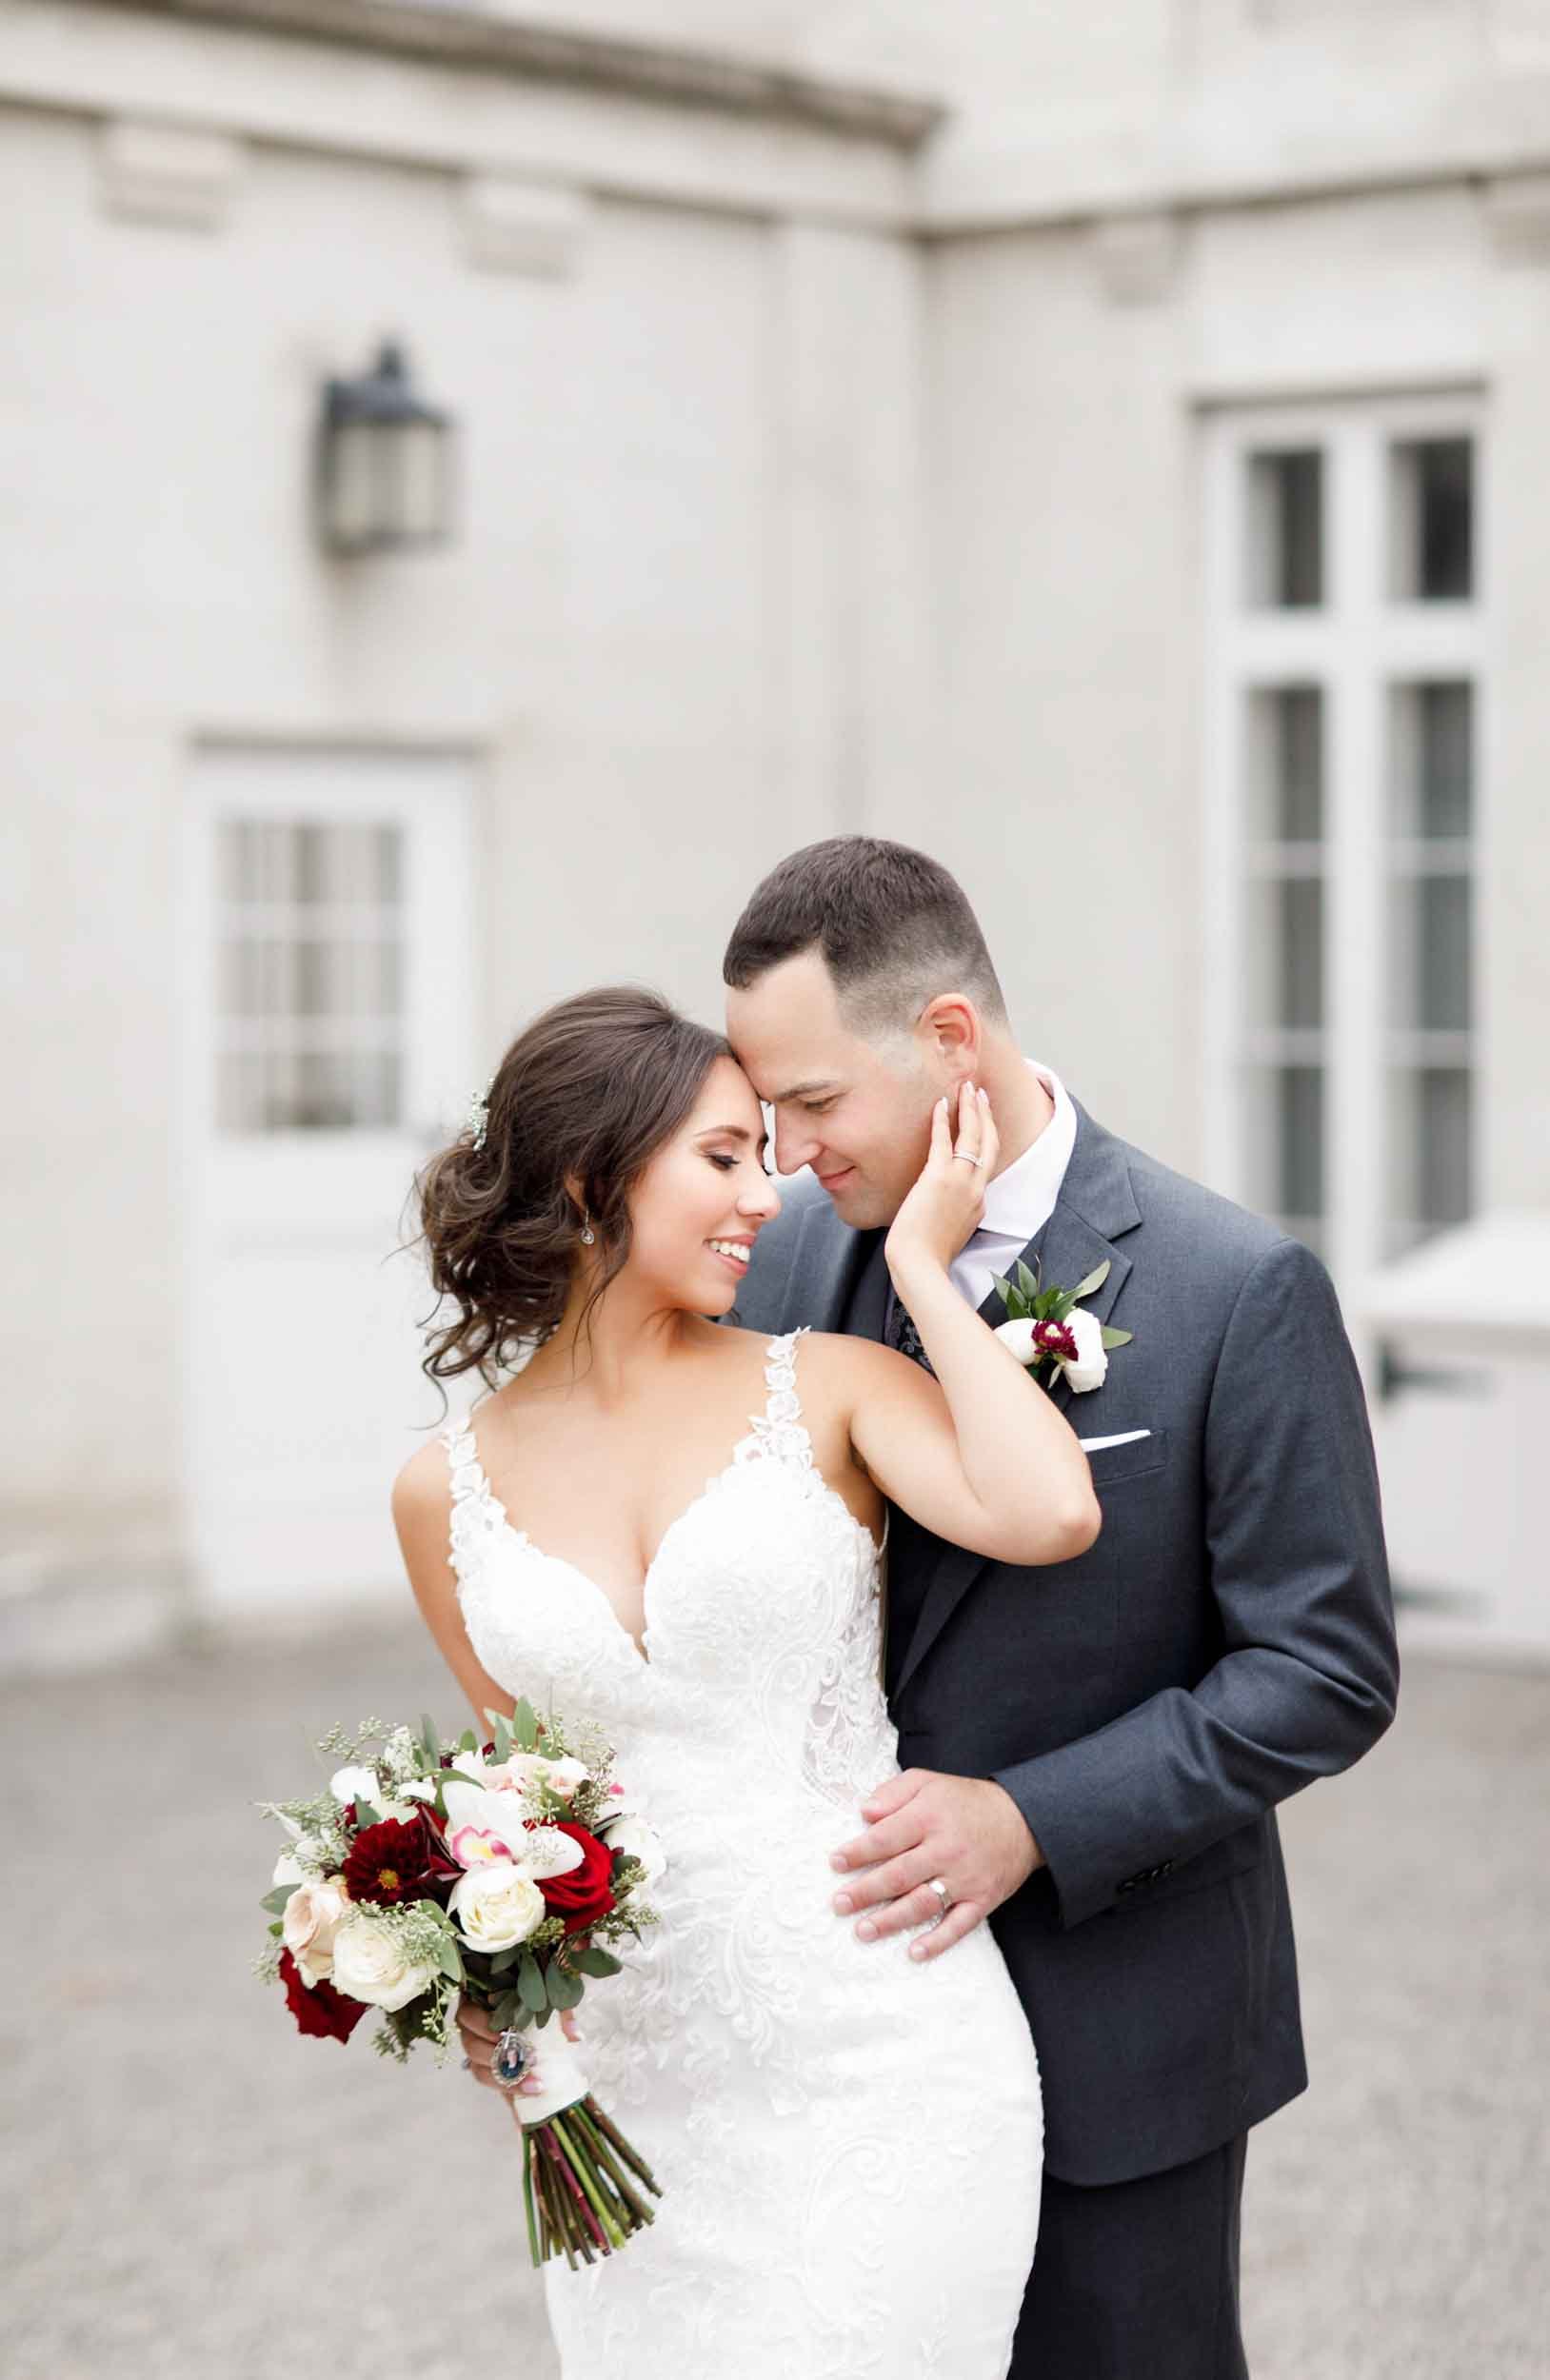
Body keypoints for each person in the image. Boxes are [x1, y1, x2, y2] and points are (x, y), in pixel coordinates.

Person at [718, 835, 1401, 2380]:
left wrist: (1033, 1817)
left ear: (950, 1038)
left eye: (816, 1103)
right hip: (840, 2025)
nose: (789, 1152)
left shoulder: (1237, 1291)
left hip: (1122, 2025)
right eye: (766, 1117)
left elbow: (1328, 1671)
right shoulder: (787, 1266)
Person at [393, 983, 1099, 2380]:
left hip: (884, 2049)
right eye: (724, 1157)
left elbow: (1049, 1514)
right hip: (644, 2097)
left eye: (769, 1158)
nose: (767, 1198)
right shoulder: (441, 1491)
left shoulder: (827, 1385)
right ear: (597, 1177)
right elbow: (520, 1801)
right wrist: (484, 1977)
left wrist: (921, 1273)